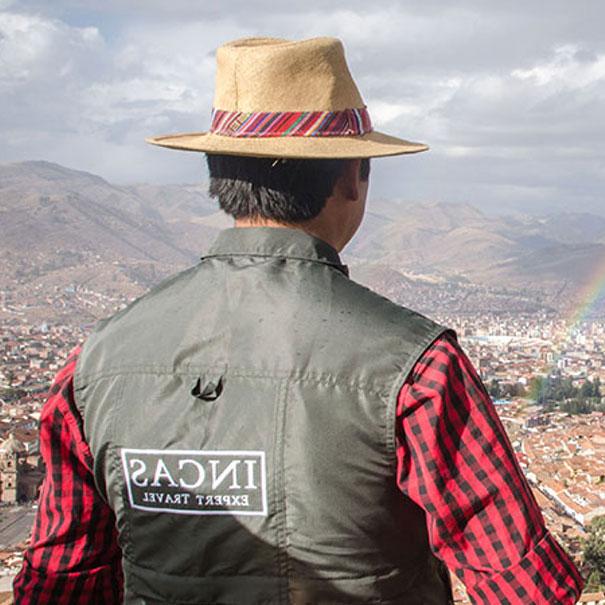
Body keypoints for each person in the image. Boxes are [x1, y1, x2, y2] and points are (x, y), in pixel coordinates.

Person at [14, 37, 583, 604]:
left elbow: (62, 579)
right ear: (351, 178)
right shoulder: (417, 368)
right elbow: (523, 585)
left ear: (219, 175)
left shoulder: (96, 366)